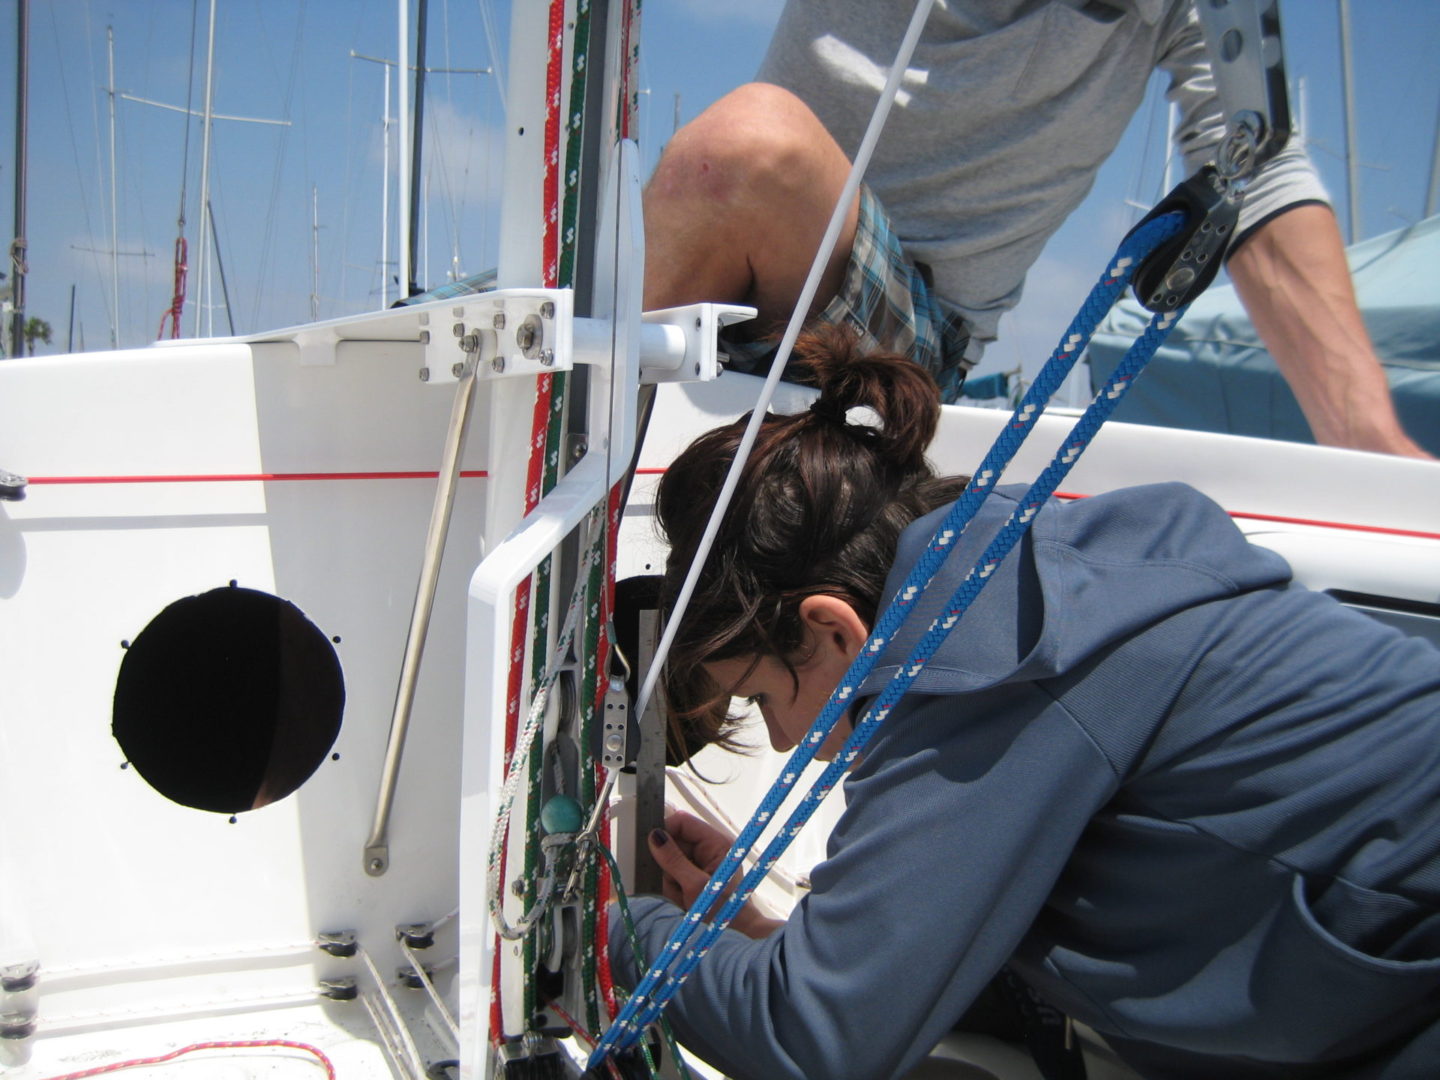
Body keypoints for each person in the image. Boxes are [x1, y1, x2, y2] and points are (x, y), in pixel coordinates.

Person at [606, 326, 1440, 1079]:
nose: (789, 741)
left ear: (833, 631)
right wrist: (765, 940)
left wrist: (621, 931)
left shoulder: (995, 662)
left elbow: (813, 1041)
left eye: (761, 696)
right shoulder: (1028, 583)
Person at [643, 0, 1433, 458]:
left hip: (912, 335)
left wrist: (1369, 442)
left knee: (743, 155)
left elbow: (1253, 162)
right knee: (734, 165)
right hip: (748, 248)